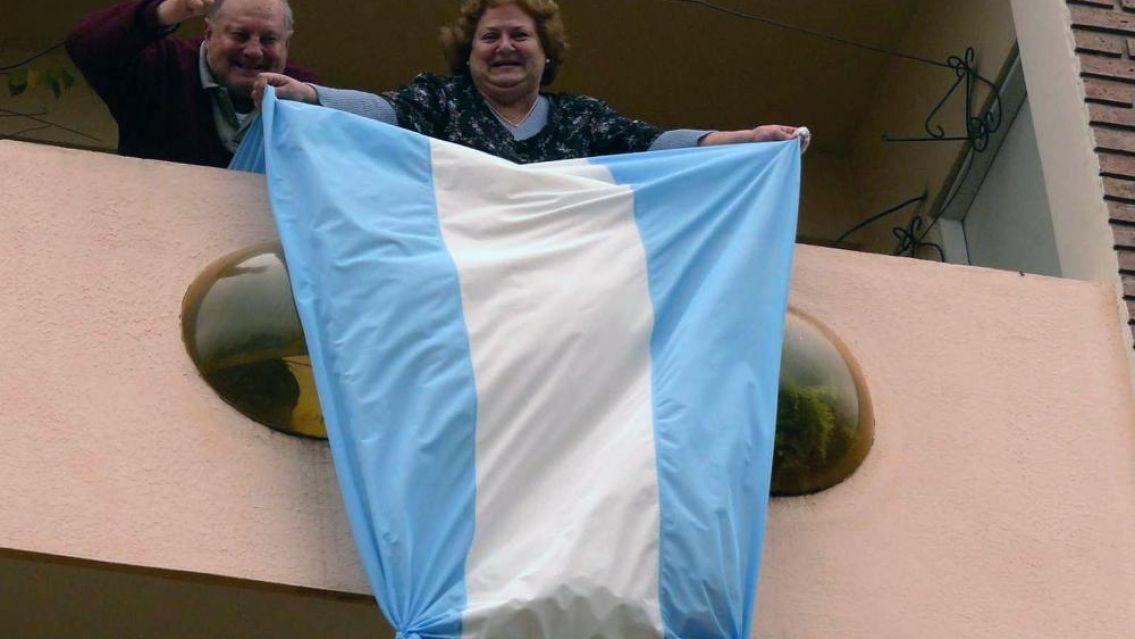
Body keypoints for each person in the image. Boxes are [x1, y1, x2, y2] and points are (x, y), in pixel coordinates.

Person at [253, 0, 806, 164]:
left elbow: (653, 144)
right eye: (489, 38)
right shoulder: (442, 99)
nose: (505, 47)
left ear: (546, 53)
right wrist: (311, 97)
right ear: (467, 54)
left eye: (520, 36)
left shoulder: (581, 117)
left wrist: (743, 139)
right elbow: (387, 112)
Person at [67, 0, 318, 168]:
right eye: (240, 35)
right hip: (152, 232)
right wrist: (159, 13)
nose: (254, 51)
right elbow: (87, 45)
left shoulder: (305, 93)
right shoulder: (163, 67)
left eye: (268, 39)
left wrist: (314, 97)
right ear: (208, 34)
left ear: (286, 44)